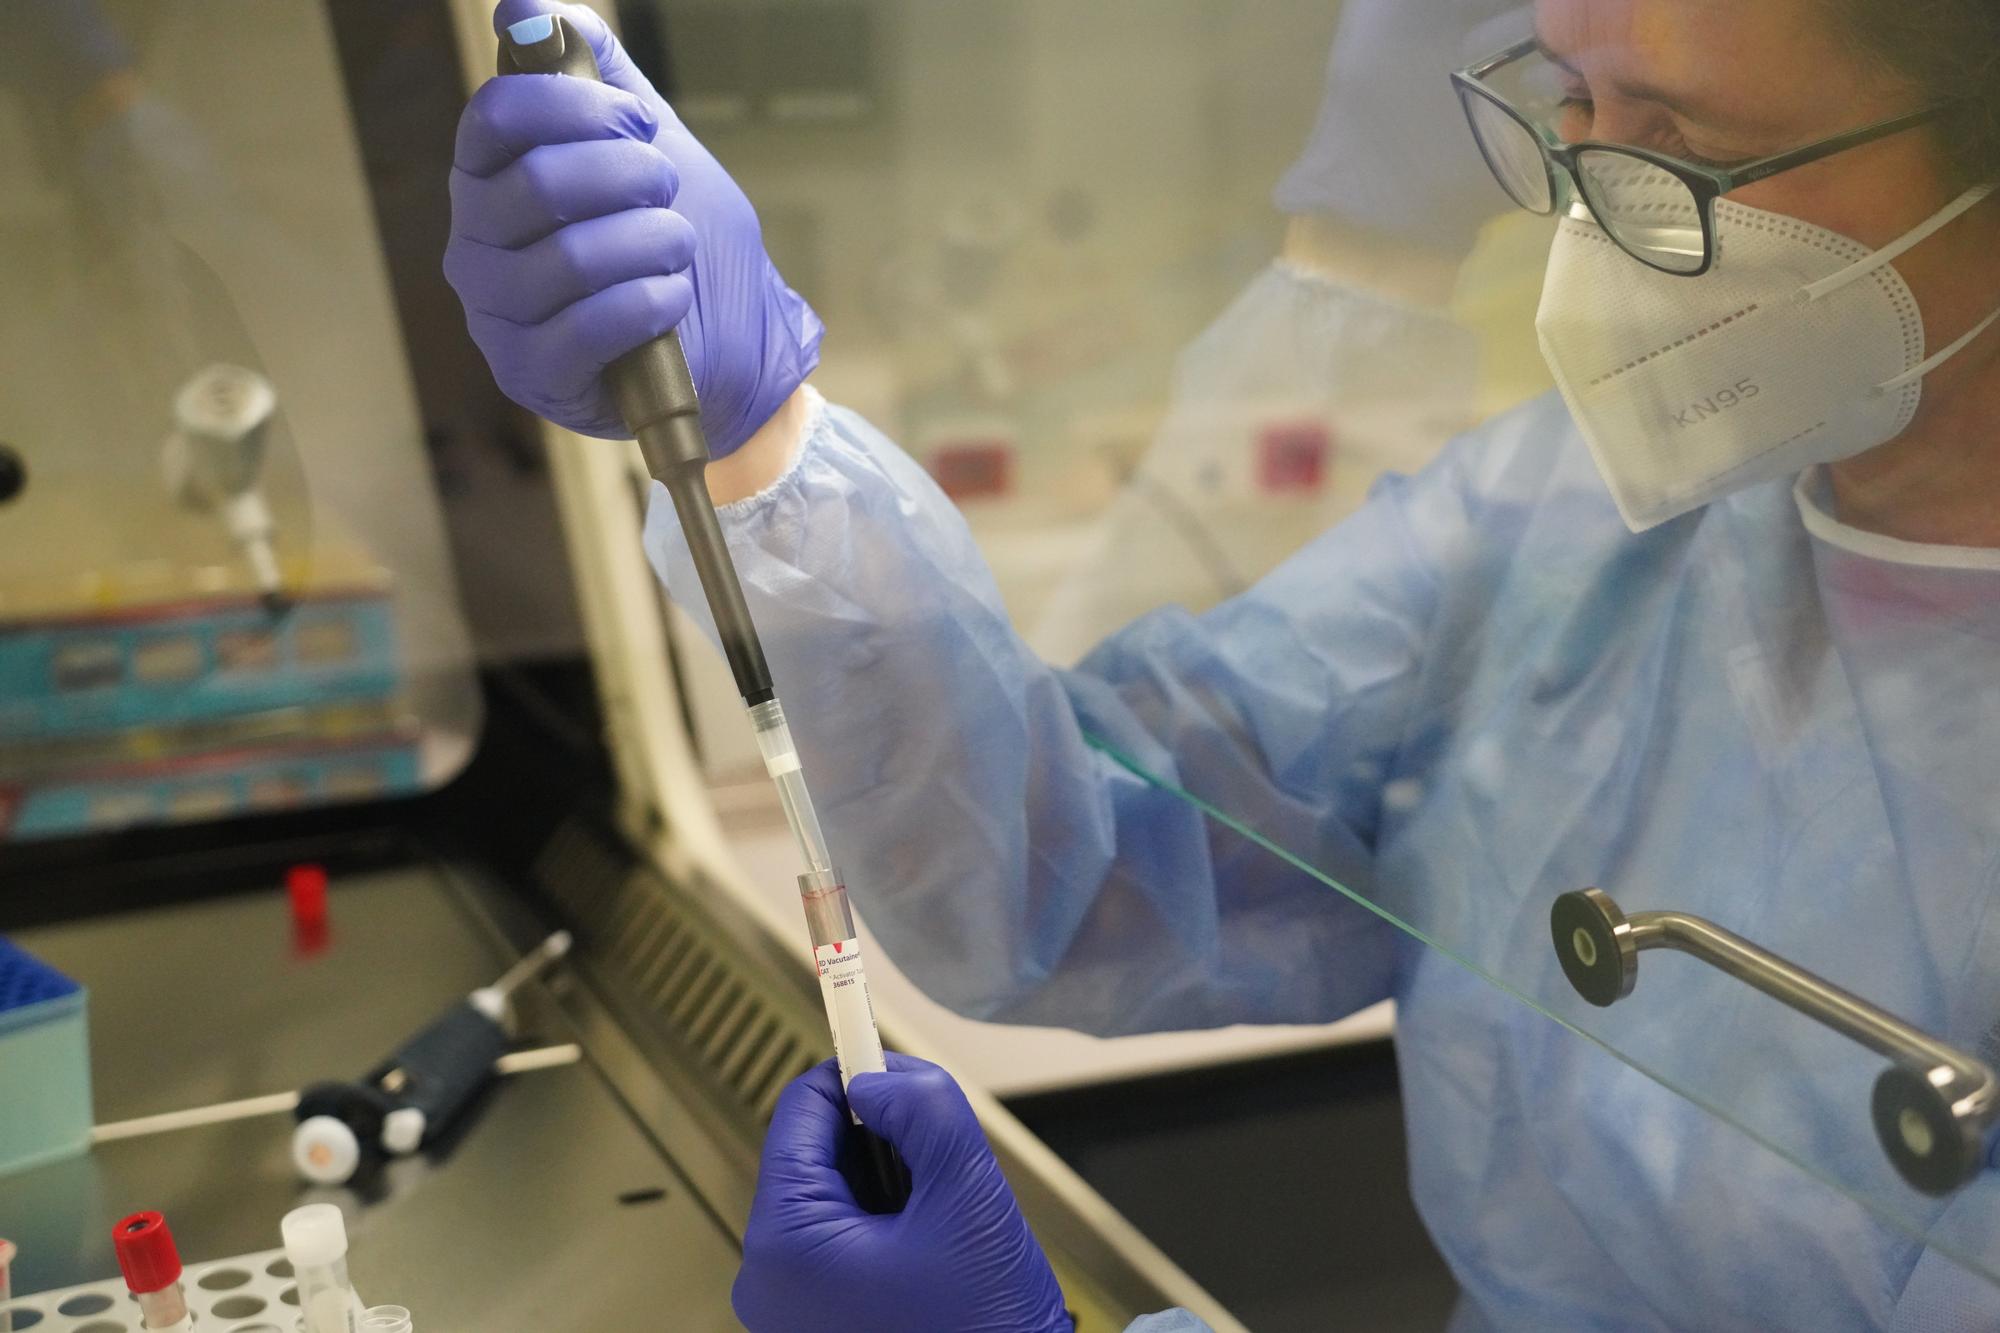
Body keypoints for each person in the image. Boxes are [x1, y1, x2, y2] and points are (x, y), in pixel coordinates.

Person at [445, 0, 2000, 1327]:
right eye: (1570, 114)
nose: (1590, 229)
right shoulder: (1573, 534)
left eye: (1688, 152)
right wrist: (760, 441)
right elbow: (1075, 853)